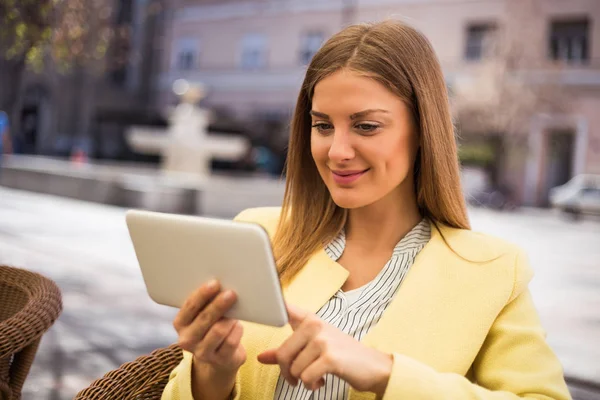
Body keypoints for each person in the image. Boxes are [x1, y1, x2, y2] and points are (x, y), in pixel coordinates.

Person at [162, 20, 571, 400]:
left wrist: (384, 371)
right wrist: (211, 372)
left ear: (423, 130)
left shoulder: (492, 270)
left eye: (366, 126)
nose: (337, 151)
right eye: (322, 126)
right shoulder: (258, 236)